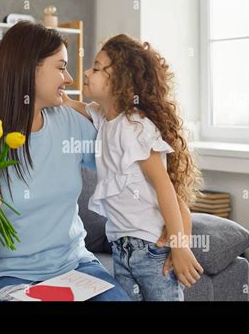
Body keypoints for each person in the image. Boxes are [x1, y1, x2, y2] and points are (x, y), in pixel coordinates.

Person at [0, 22, 131, 302]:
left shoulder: (71, 125)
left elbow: (127, 162)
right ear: (29, 68)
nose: (68, 78)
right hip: (2, 276)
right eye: (61, 67)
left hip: (74, 267)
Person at [62, 34, 204, 301]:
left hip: (152, 249)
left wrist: (180, 245)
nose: (87, 73)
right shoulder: (105, 119)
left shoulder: (135, 127)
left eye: (96, 67)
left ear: (119, 81)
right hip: (121, 248)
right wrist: (65, 102)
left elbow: (165, 187)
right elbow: (83, 108)